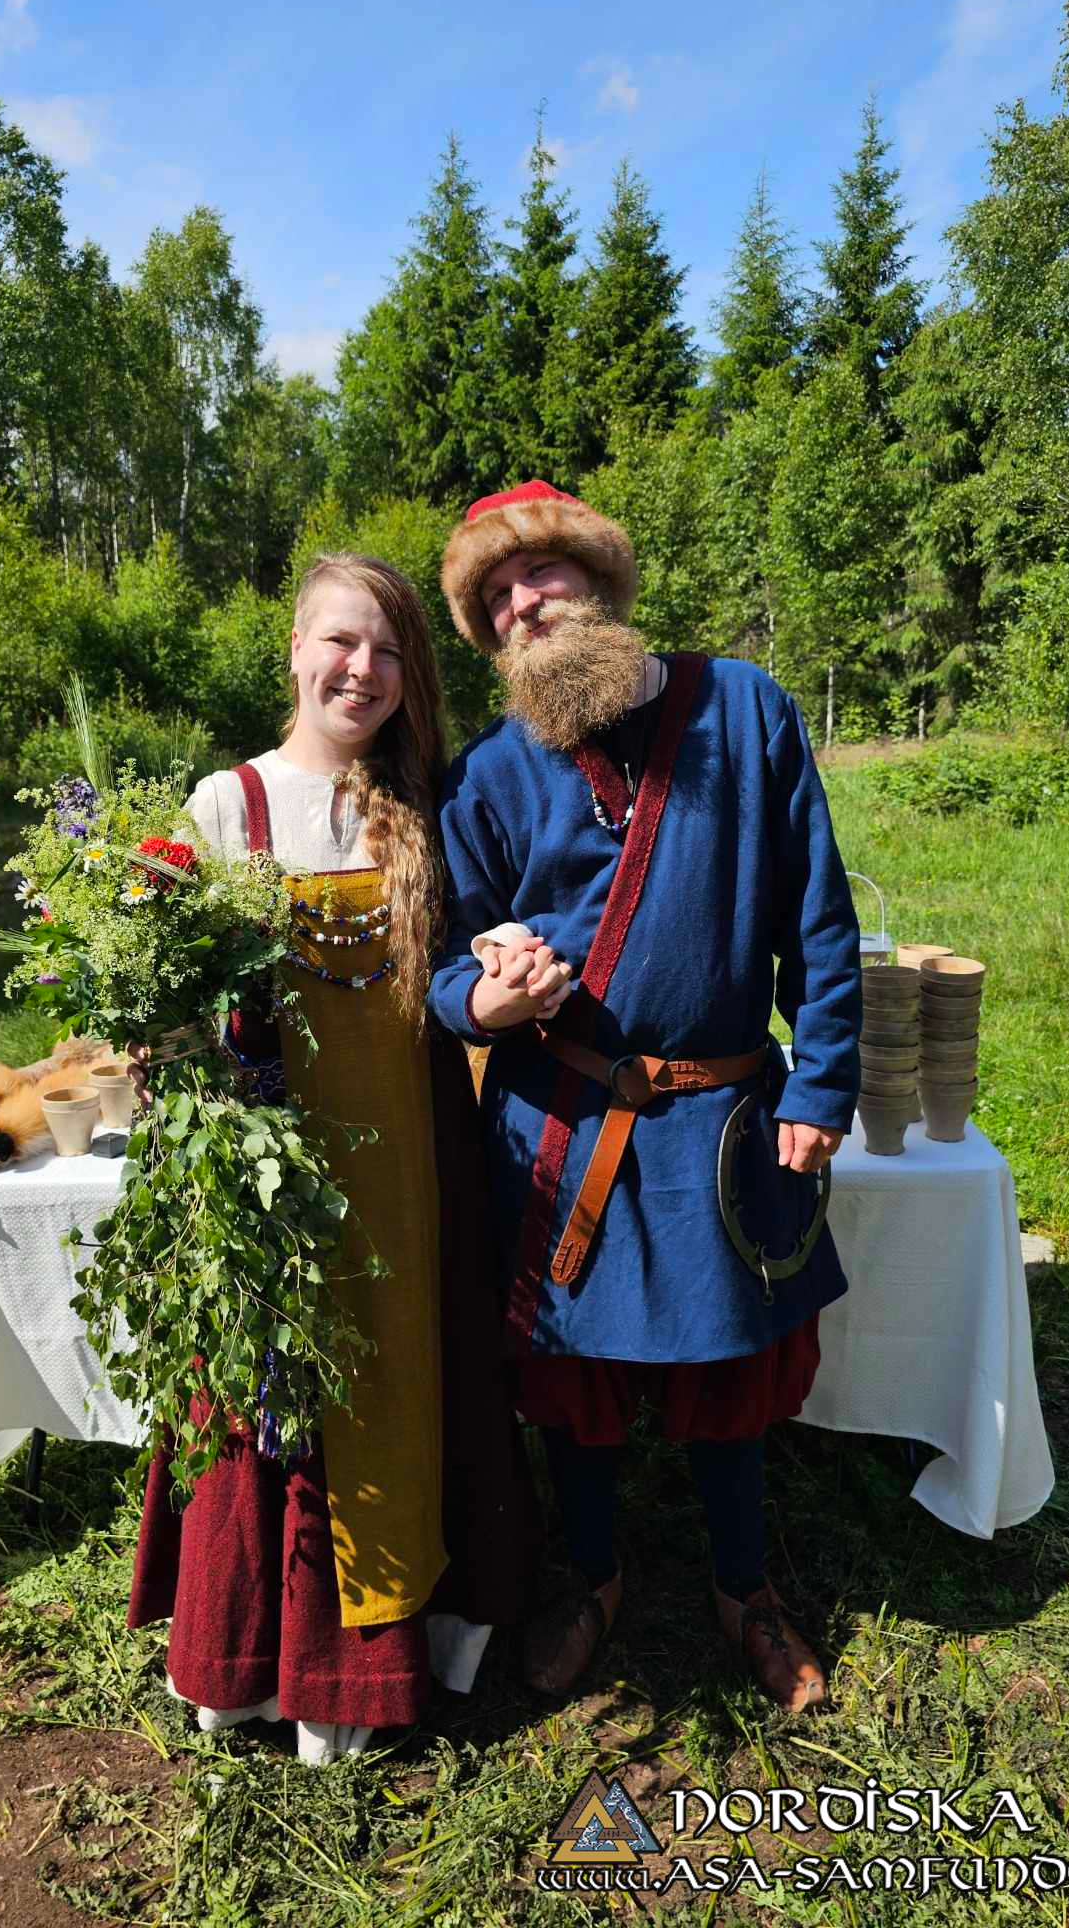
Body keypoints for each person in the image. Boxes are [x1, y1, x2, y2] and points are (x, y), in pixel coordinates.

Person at [426, 481, 861, 1714]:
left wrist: (821, 1075)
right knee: (576, 1384)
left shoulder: (745, 706)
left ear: (603, 582)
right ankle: (598, 1577)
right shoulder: (490, 771)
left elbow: (818, 919)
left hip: (724, 1116)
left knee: (732, 1379)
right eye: (497, 598)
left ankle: (745, 1591)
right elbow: (445, 962)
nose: (524, 607)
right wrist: (489, 999)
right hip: (563, 1124)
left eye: (543, 576)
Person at [128, 552, 534, 1764]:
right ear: (295, 651)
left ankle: (399, 1646)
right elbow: (164, 1003)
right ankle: (261, 1663)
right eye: (341, 642)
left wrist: (505, 974)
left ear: (413, 676)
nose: (363, 669)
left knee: (411, 1379)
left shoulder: (427, 809)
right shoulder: (224, 806)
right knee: (273, 1404)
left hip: (411, 1162)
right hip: (269, 1168)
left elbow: (461, 974)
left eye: (391, 649)